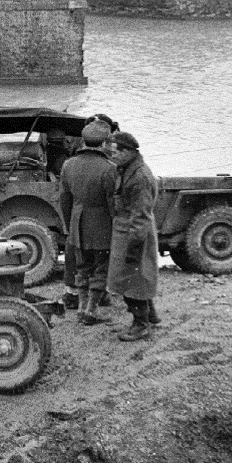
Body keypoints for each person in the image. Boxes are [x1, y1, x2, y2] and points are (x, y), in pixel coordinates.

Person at [59, 121, 116, 325]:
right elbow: (113, 205)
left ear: (83, 141)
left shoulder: (68, 165)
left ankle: (81, 309)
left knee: (82, 268)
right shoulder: (110, 169)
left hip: (77, 224)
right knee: (101, 268)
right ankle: (91, 310)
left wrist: (70, 226)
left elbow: (64, 200)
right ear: (104, 143)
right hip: (102, 227)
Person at [106, 132, 160, 341]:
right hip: (127, 230)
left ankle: (140, 324)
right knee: (139, 277)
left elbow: (141, 216)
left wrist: (133, 249)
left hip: (135, 233)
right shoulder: (128, 169)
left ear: (127, 152)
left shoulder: (139, 177)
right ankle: (150, 314)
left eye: (115, 153)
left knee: (130, 277)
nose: (112, 156)